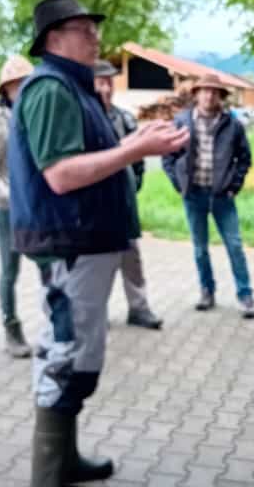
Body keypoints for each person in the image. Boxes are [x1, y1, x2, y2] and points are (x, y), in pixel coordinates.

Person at [10, 0, 188, 485]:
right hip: (72, 243)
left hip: (86, 241)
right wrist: (134, 152)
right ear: (54, 39)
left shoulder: (74, 86)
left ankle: (63, 457)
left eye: (95, 28)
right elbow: (62, 174)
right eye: (84, 30)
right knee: (67, 354)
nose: (96, 37)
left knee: (79, 350)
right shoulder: (51, 89)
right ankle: (49, 470)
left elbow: (85, 157)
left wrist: (135, 141)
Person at [163, 74, 254, 318]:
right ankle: (207, 291)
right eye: (204, 91)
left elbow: (244, 158)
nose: (209, 95)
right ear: (196, 94)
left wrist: (234, 186)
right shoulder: (181, 122)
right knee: (200, 248)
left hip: (222, 196)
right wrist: (179, 183)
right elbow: (168, 155)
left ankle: (245, 294)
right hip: (193, 194)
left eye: (214, 92)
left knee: (234, 246)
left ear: (220, 97)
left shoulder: (233, 125)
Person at [0, 54, 48, 358]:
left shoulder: (38, 114)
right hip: (9, 209)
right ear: (5, 89)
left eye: (26, 83)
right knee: (10, 270)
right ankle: (11, 328)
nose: (22, 89)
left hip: (39, 207)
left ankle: (55, 322)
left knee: (48, 264)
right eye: (16, 84)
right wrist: (12, 199)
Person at [92, 59, 163, 330]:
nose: (107, 87)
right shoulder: (87, 117)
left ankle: (139, 308)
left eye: (110, 82)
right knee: (99, 260)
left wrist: (134, 185)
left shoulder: (124, 117)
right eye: (101, 81)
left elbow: (139, 159)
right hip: (96, 203)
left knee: (131, 256)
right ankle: (98, 312)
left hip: (124, 200)